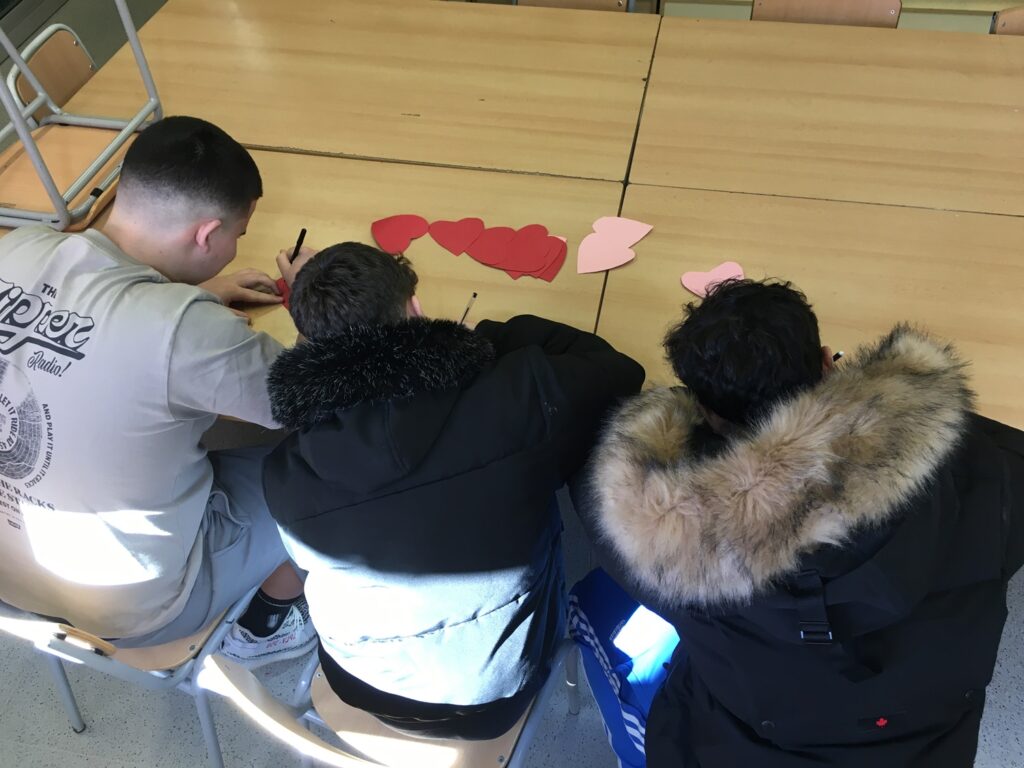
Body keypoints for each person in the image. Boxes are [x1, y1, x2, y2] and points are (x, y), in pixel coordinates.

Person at [575, 278, 1024, 767]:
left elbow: (601, 500)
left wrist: (653, 421)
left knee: (594, 604)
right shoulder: (987, 468)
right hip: (929, 741)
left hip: (745, 744)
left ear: (701, 413)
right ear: (828, 363)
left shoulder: (668, 551)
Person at [263, 241, 644, 739]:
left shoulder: (284, 470)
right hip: (490, 701)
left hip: (359, 686)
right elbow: (621, 372)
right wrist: (487, 341)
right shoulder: (516, 395)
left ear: (308, 346)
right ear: (416, 309)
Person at [0, 116, 314, 666]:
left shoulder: (16, 248)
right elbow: (316, 397)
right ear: (206, 234)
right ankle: (268, 624)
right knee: (331, 457)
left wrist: (199, 290)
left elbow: (95, 321)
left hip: (12, 575)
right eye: (238, 235)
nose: (235, 246)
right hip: (133, 610)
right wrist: (313, 299)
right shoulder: (187, 331)